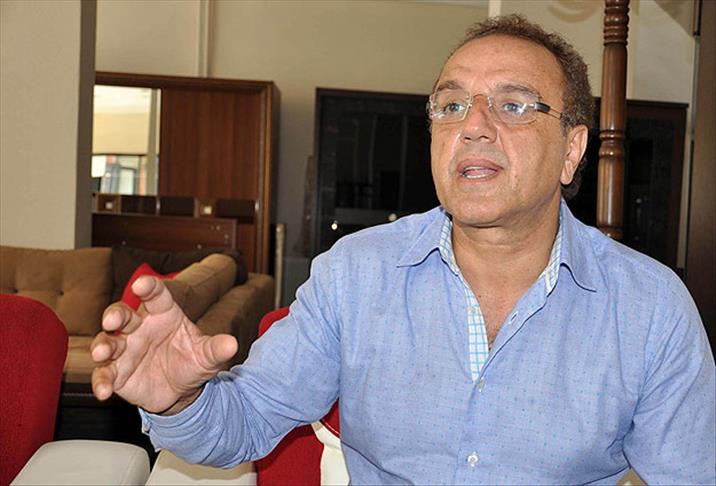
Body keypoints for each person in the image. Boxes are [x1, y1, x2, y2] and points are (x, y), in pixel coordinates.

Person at [91, 14, 715, 484]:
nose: (473, 125)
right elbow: (246, 420)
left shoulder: (650, 308)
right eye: (451, 105)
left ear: (572, 150)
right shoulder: (356, 274)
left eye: (513, 104)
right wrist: (179, 397)